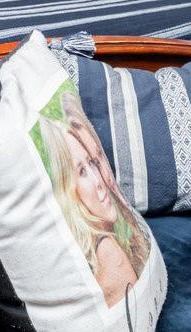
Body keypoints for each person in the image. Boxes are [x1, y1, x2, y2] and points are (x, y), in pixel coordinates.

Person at [38, 89, 146, 307]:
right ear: (69, 189)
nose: (99, 179)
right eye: (82, 171)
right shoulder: (108, 252)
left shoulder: (109, 242)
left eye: (94, 162)